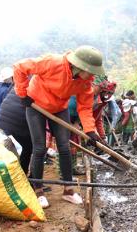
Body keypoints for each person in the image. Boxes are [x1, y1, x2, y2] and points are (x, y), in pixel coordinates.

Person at [13, 45, 106, 208]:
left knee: (64, 147)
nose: (92, 75)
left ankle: (68, 190)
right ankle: (38, 191)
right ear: (80, 66)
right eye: (91, 71)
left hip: (59, 109)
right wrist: (23, 93)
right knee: (40, 148)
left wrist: (90, 130)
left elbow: (84, 107)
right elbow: (20, 67)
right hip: (36, 105)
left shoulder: (85, 82)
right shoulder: (52, 62)